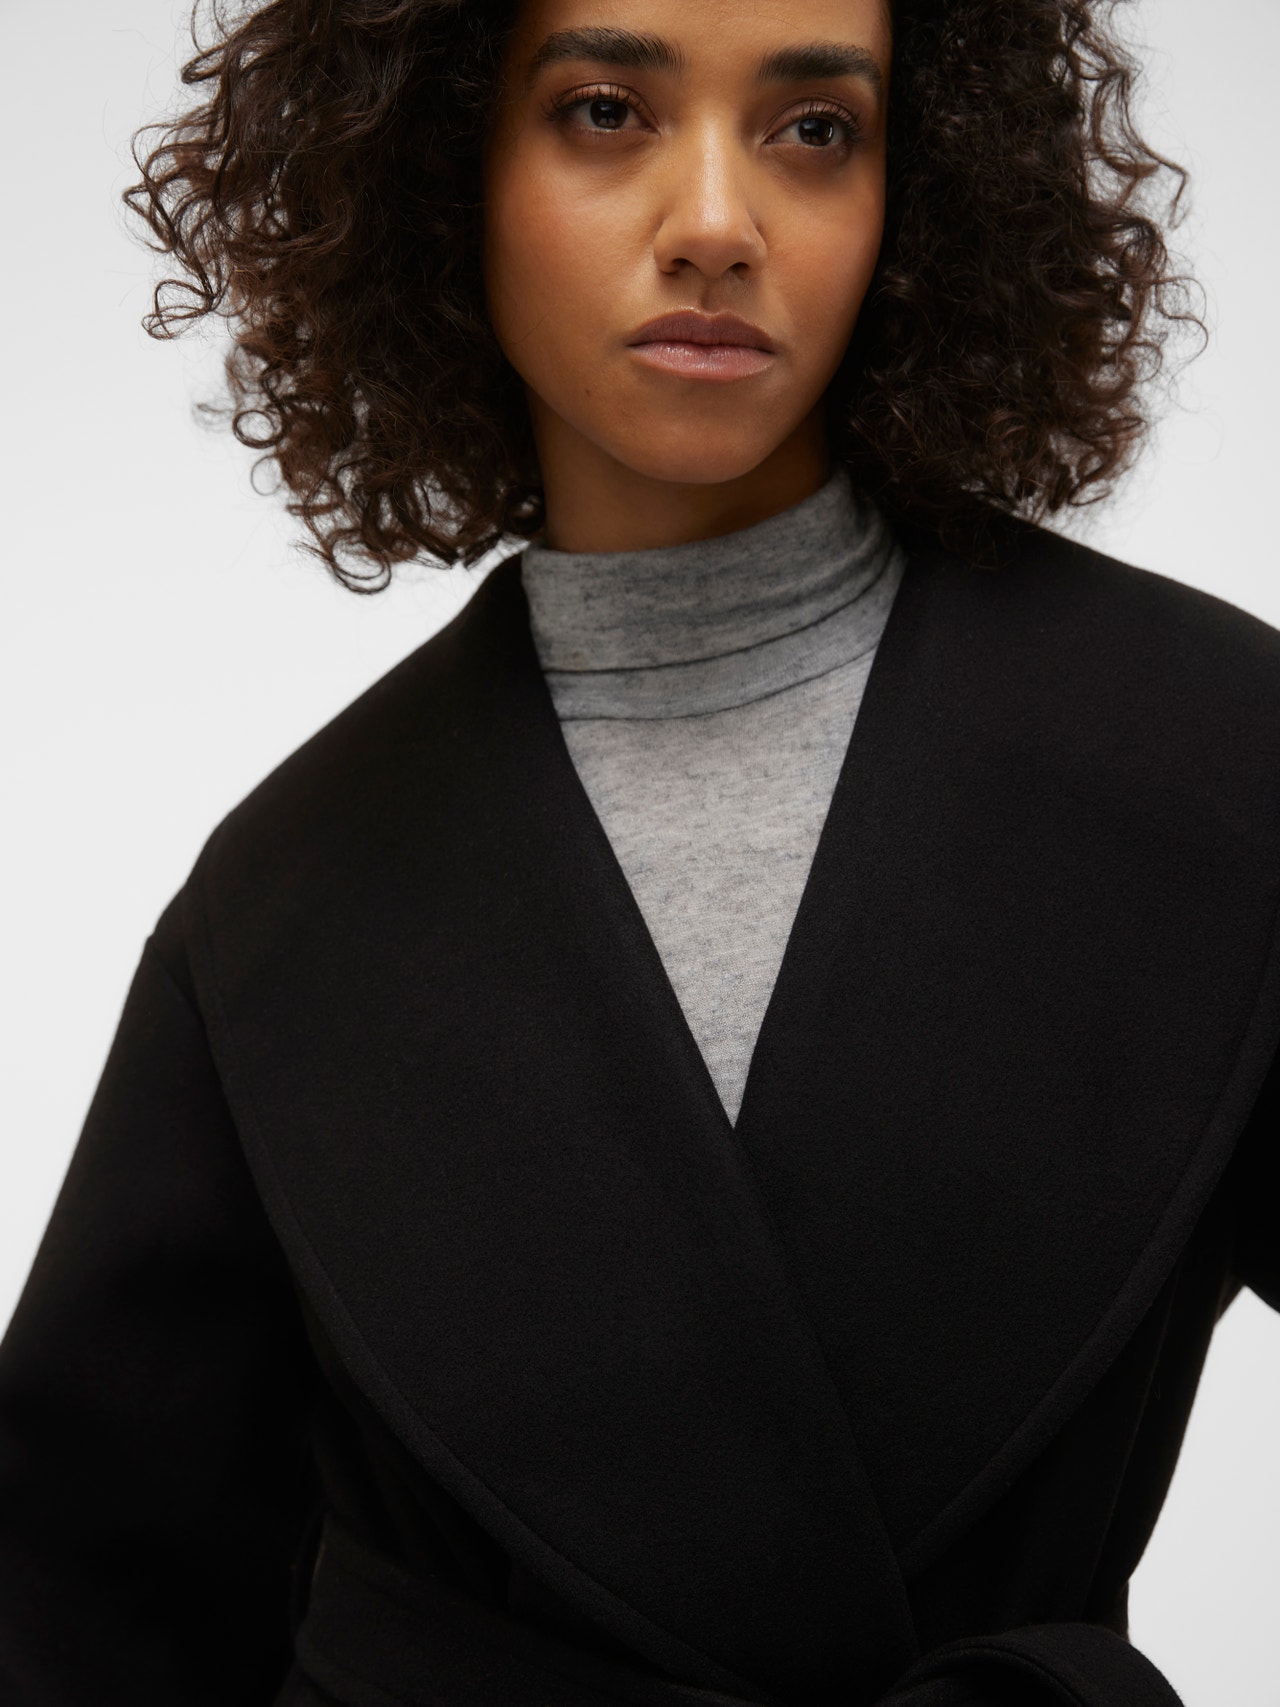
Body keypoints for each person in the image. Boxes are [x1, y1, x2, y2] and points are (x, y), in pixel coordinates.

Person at [0, 0, 1276, 1702]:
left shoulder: (1217, 764)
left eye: (815, 130)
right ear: (443, 167)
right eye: (606, 111)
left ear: (923, 190)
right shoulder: (277, 916)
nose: (718, 223)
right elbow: (81, 1614)